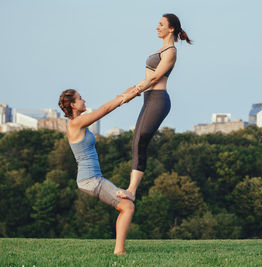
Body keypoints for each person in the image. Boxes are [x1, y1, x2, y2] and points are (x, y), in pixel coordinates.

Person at [116, 13, 192, 202]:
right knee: (136, 141)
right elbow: (149, 78)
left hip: (158, 99)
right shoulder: (162, 49)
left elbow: (155, 77)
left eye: (161, 24)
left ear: (171, 28)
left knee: (140, 141)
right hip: (149, 98)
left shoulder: (171, 52)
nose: (157, 27)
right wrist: (134, 90)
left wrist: (132, 93)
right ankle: (131, 189)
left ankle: (132, 191)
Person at [58, 87, 139, 255]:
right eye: (80, 98)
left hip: (93, 178)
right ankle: (119, 251)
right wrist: (125, 98)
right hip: (90, 179)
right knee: (127, 206)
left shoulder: (78, 122)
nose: (84, 101)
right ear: (72, 104)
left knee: (127, 205)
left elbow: (114, 100)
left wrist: (134, 90)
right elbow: (104, 110)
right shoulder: (75, 123)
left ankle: (119, 250)